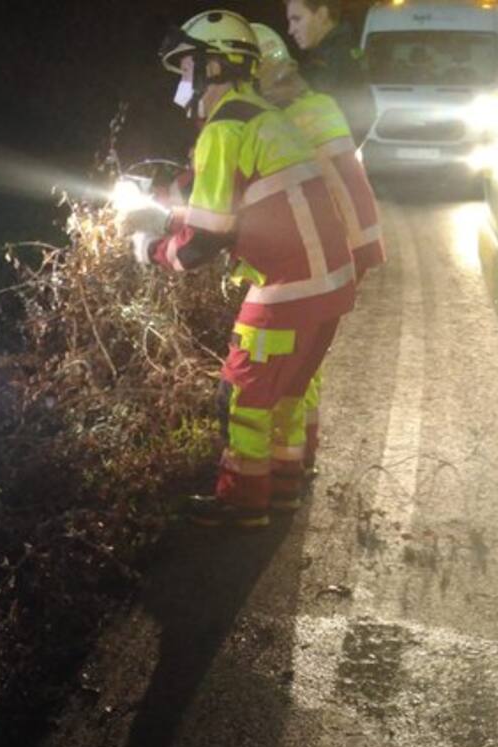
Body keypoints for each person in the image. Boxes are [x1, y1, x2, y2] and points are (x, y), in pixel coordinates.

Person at [129, 10, 355, 526]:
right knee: (287, 393)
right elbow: (233, 201)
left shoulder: (225, 128)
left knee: (245, 391)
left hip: (290, 287)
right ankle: (282, 492)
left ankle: (242, 503)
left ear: (217, 67)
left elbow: (200, 243)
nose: (183, 84)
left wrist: (151, 248)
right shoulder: (259, 116)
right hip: (331, 280)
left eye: (188, 70)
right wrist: (173, 204)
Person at [254, 23, 385, 472]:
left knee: (275, 370)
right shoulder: (320, 104)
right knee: (304, 360)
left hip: (324, 249)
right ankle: (296, 460)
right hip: (353, 243)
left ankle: (272, 480)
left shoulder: (279, 122)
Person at [284, 0, 375, 144]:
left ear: (321, 15)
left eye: (297, 19)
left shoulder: (332, 57)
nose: (291, 30)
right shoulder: (344, 47)